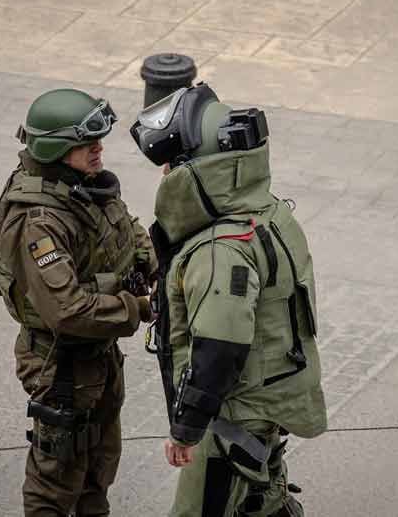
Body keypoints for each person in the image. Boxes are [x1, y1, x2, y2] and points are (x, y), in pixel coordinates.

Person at [131, 83, 327, 517]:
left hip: (233, 416)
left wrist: (186, 430)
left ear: (196, 169)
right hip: (265, 400)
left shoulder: (220, 248)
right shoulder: (268, 212)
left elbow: (220, 347)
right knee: (261, 501)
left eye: (172, 164)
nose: (165, 175)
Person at [0, 88, 157, 516]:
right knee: (56, 478)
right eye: (87, 143)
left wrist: (151, 260)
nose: (99, 148)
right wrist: (139, 308)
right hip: (61, 366)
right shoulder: (39, 220)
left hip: (97, 356)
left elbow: (123, 223)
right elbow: (67, 310)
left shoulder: (83, 186)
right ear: (57, 148)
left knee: (97, 469)